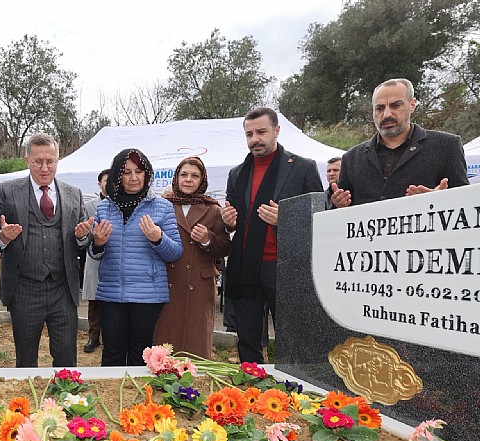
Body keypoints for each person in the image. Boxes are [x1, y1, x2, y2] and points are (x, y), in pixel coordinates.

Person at [222, 107, 322, 363]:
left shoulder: (303, 167)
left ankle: (294, 391)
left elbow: (320, 217)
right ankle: (252, 389)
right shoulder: (236, 173)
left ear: (277, 131)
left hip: (284, 266)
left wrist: (286, 218)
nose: (254, 139)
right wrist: (229, 222)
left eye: (261, 132)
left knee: (292, 336)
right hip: (245, 267)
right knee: (247, 337)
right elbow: (233, 218)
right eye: (249, 134)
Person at [0, 133, 92, 368]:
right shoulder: (9, 190)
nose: (45, 167)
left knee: (67, 359)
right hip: (25, 288)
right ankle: (26, 403)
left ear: (58, 160)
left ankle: (66, 402)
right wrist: (3, 237)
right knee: (26, 360)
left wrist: (83, 236)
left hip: (63, 289)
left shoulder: (73, 194)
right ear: (27, 160)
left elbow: (83, 238)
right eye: (38, 161)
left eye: (50, 161)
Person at [91, 148, 183, 366]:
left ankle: (140, 399)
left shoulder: (162, 207)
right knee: (112, 351)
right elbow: (94, 254)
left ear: (147, 174)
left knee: (140, 352)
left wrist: (158, 238)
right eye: (127, 172)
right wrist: (97, 243)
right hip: (111, 293)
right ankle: (111, 398)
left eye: (139, 171)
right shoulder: (104, 207)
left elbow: (176, 253)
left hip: (148, 295)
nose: (134, 177)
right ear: (117, 176)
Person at [331, 78, 468, 208]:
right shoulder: (352, 158)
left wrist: (439, 199)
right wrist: (338, 204)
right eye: (379, 108)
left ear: (412, 104)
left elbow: (467, 202)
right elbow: (340, 216)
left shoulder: (446, 146)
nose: (386, 114)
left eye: (395, 105)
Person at [153, 157, 230, 358]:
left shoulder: (213, 209)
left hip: (199, 284)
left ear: (202, 180)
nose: (188, 180)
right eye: (184, 175)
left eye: (194, 176)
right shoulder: (162, 205)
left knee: (196, 340)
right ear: (176, 178)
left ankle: (195, 383)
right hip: (167, 281)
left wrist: (207, 239)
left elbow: (224, 247)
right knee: (165, 338)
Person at [81, 169, 109, 353]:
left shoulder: (120, 204)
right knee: (94, 301)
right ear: (99, 184)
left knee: (111, 302)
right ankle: (93, 336)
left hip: (113, 259)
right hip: (94, 257)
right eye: (105, 181)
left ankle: (110, 337)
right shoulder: (89, 206)